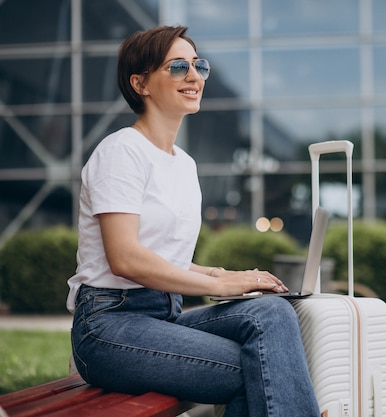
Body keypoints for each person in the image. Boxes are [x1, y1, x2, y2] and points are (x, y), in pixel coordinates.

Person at [66, 25, 320, 417]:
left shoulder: (184, 164)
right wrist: (217, 283)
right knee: (257, 367)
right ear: (140, 83)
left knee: (270, 312)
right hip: (108, 326)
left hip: (163, 316)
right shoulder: (120, 151)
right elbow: (126, 259)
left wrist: (223, 273)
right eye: (178, 66)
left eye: (199, 65)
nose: (194, 76)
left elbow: (162, 256)